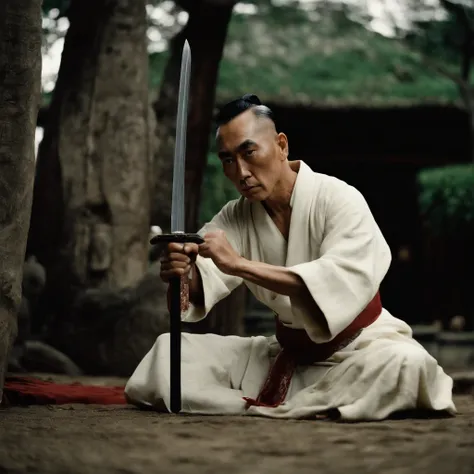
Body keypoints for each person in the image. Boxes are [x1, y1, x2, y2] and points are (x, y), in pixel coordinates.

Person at [125, 94, 456, 421]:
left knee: (408, 367)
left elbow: (329, 280)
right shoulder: (236, 217)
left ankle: (279, 402)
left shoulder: (339, 200)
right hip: (284, 354)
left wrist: (239, 265)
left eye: (249, 152)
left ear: (281, 145)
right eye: (227, 160)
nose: (240, 172)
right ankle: (306, 403)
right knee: (169, 353)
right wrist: (184, 272)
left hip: (361, 350)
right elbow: (200, 284)